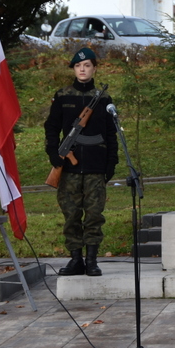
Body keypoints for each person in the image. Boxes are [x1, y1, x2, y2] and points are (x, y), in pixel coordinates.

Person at [44, 47, 118, 277]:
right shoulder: (63, 95)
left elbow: (110, 133)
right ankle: (76, 259)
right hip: (68, 169)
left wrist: (111, 162)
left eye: (87, 65)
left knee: (95, 214)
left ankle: (92, 260)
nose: (82, 69)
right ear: (74, 69)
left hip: (96, 166)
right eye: (78, 66)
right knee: (71, 214)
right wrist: (54, 155)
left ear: (94, 68)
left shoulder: (104, 98)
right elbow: (51, 128)